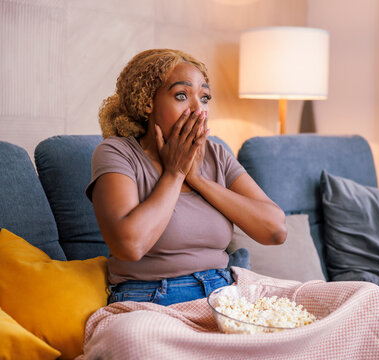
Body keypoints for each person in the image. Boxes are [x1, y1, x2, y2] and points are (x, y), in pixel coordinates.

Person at [86, 49, 287, 306]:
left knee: (351, 298)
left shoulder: (215, 153)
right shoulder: (117, 152)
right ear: (147, 102)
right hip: (152, 298)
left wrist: (199, 180)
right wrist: (175, 173)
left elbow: (275, 230)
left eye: (204, 98)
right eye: (182, 96)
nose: (198, 110)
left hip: (225, 292)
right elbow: (130, 245)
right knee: (131, 341)